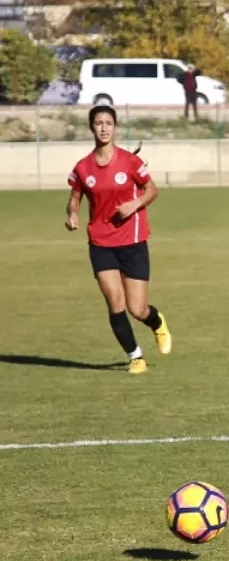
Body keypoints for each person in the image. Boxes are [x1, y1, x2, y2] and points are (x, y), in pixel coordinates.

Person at [66, 106, 172, 374]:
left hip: (133, 241)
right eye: (99, 123)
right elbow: (74, 199)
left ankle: (157, 322)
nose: (104, 128)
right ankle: (136, 357)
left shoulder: (130, 162)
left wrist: (135, 204)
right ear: (91, 128)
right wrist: (73, 216)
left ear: (115, 127)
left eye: (108, 123)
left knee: (137, 309)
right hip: (101, 243)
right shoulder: (82, 167)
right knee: (115, 302)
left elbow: (152, 190)